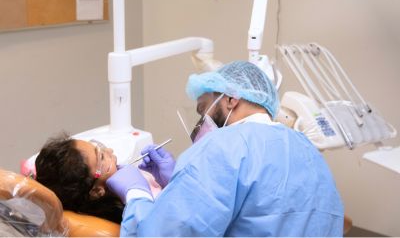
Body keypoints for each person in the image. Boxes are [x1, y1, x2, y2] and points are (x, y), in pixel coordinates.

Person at [106, 60, 344, 236]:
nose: (201, 123)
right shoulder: (306, 148)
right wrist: (177, 182)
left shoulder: (224, 146)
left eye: (203, 110)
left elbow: (167, 233)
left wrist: (135, 194)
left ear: (231, 99)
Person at [35, 134, 162, 224]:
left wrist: (168, 181)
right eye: (102, 157)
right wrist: (136, 193)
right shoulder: (125, 219)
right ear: (96, 191)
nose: (110, 150)